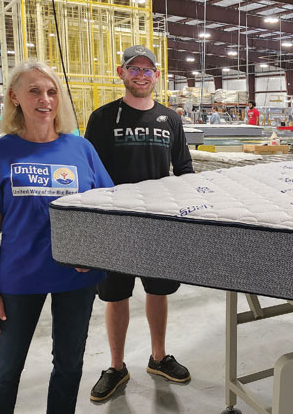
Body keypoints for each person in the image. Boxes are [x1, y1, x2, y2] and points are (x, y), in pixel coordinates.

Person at [0, 61, 113, 414]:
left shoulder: (81, 150)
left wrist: (94, 254)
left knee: (69, 364)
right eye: (34, 90)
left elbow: (108, 210)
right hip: (18, 277)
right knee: (4, 369)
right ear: (15, 98)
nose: (44, 99)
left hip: (76, 277)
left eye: (51, 92)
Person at [85, 45, 194, 402]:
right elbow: (89, 174)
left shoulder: (171, 119)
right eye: (135, 69)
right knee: (115, 295)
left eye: (148, 70)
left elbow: (185, 171)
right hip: (116, 224)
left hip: (158, 223)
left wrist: (183, 212)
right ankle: (116, 366)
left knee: (158, 291)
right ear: (122, 73)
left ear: (157, 76)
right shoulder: (102, 119)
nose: (142, 75)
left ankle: (158, 357)